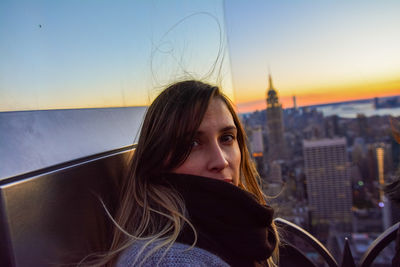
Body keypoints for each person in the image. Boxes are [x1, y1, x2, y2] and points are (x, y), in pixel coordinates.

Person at [96, 80, 279, 266]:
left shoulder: (241, 229)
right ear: (157, 160)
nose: (221, 161)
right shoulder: (162, 261)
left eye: (227, 138)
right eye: (193, 143)